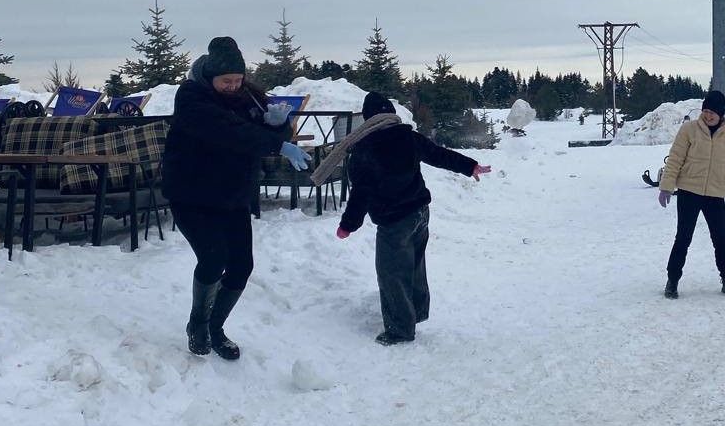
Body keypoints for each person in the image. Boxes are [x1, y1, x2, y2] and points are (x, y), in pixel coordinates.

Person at [160, 36, 311, 360]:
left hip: (232, 194)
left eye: (238, 80)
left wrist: (279, 126)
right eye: (226, 81)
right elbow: (229, 132)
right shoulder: (191, 97)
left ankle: (216, 328)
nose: (232, 86)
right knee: (213, 259)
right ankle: (198, 324)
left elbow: (262, 137)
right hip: (192, 193)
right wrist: (277, 143)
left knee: (242, 265)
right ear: (210, 76)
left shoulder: (248, 98)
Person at [313, 91, 490, 345]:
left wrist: (348, 225)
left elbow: (361, 193)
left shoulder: (364, 148)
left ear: (367, 118)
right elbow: (438, 154)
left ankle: (399, 329)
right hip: (420, 212)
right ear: (390, 114)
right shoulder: (407, 136)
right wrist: (469, 165)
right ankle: (415, 312)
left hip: (394, 220)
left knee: (392, 273)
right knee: (415, 265)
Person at [657, 90, 725, 299]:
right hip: (689, 192)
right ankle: (672, 281)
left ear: (721, 113)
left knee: (721, 238)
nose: (708, 115)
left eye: (712, 112)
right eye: (705, 111)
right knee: (683, 238)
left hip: (714, 194)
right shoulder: (689, 130)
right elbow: (675, 159)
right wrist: (666, 186)